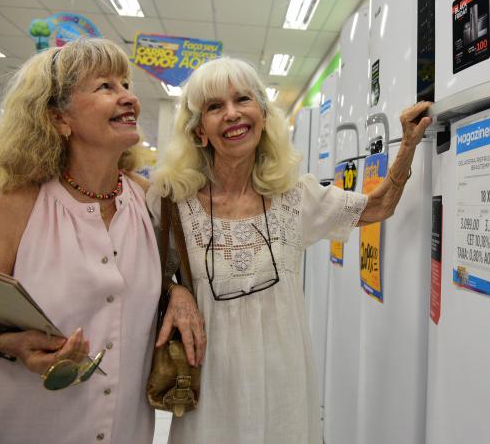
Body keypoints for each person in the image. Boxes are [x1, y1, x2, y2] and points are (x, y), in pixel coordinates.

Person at [149, 56, 432, 444]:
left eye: (243, 100)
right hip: (210, 387)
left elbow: (379, 206)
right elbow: (143, 275)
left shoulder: (296, 198)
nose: (232, 114)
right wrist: (175, 289)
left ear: (263, 117)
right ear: (199, 130)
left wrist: (407, 147)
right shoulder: (172, 203)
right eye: (215, 106)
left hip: (285, 386)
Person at [0, 38, 202, 444]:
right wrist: (11, 342)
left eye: (126, 84)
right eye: (106, 86)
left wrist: (178, 292)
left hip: (124, 431)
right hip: (27, 426)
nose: (129, 97)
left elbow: (167, 273)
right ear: (59, 117)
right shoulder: (19, 203)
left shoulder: (151, 200)